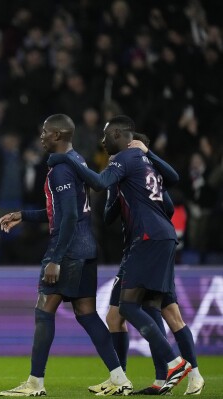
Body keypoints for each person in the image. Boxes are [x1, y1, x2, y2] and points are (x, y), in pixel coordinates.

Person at [47, 115, 191, 395]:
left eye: (105, 136)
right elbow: (168, 194)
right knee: (132, 311)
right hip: (153, 238)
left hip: (147, 239)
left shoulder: (122, 159)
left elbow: (99, 183)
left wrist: (70, 161)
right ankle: (143, 378)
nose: (102, 142)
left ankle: (177, 364)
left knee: (132, 308)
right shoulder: (143, 161)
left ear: (117, 135)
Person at [0, 114, 131, 397]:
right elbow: (63, 211)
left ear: (57, 135)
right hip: (87, 248)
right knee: (86, 313)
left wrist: (56, 258)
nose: (41, 136)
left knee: (44, 311)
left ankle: (35, 383)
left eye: (45, 132)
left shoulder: (60, 170)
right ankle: (120, 378)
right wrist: (24, 215)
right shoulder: (77, 160)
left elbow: (69, 216)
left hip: (68, 250)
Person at [88, 133, 204, 396]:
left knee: (164, 312)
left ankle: (183, 372)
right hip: (138, 248)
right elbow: (110, 216)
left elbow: (169, 205)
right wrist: (116, 191)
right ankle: (125, 379)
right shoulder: (130, 177)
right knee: (117, 315)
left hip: (148, 245)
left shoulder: (142, 172)